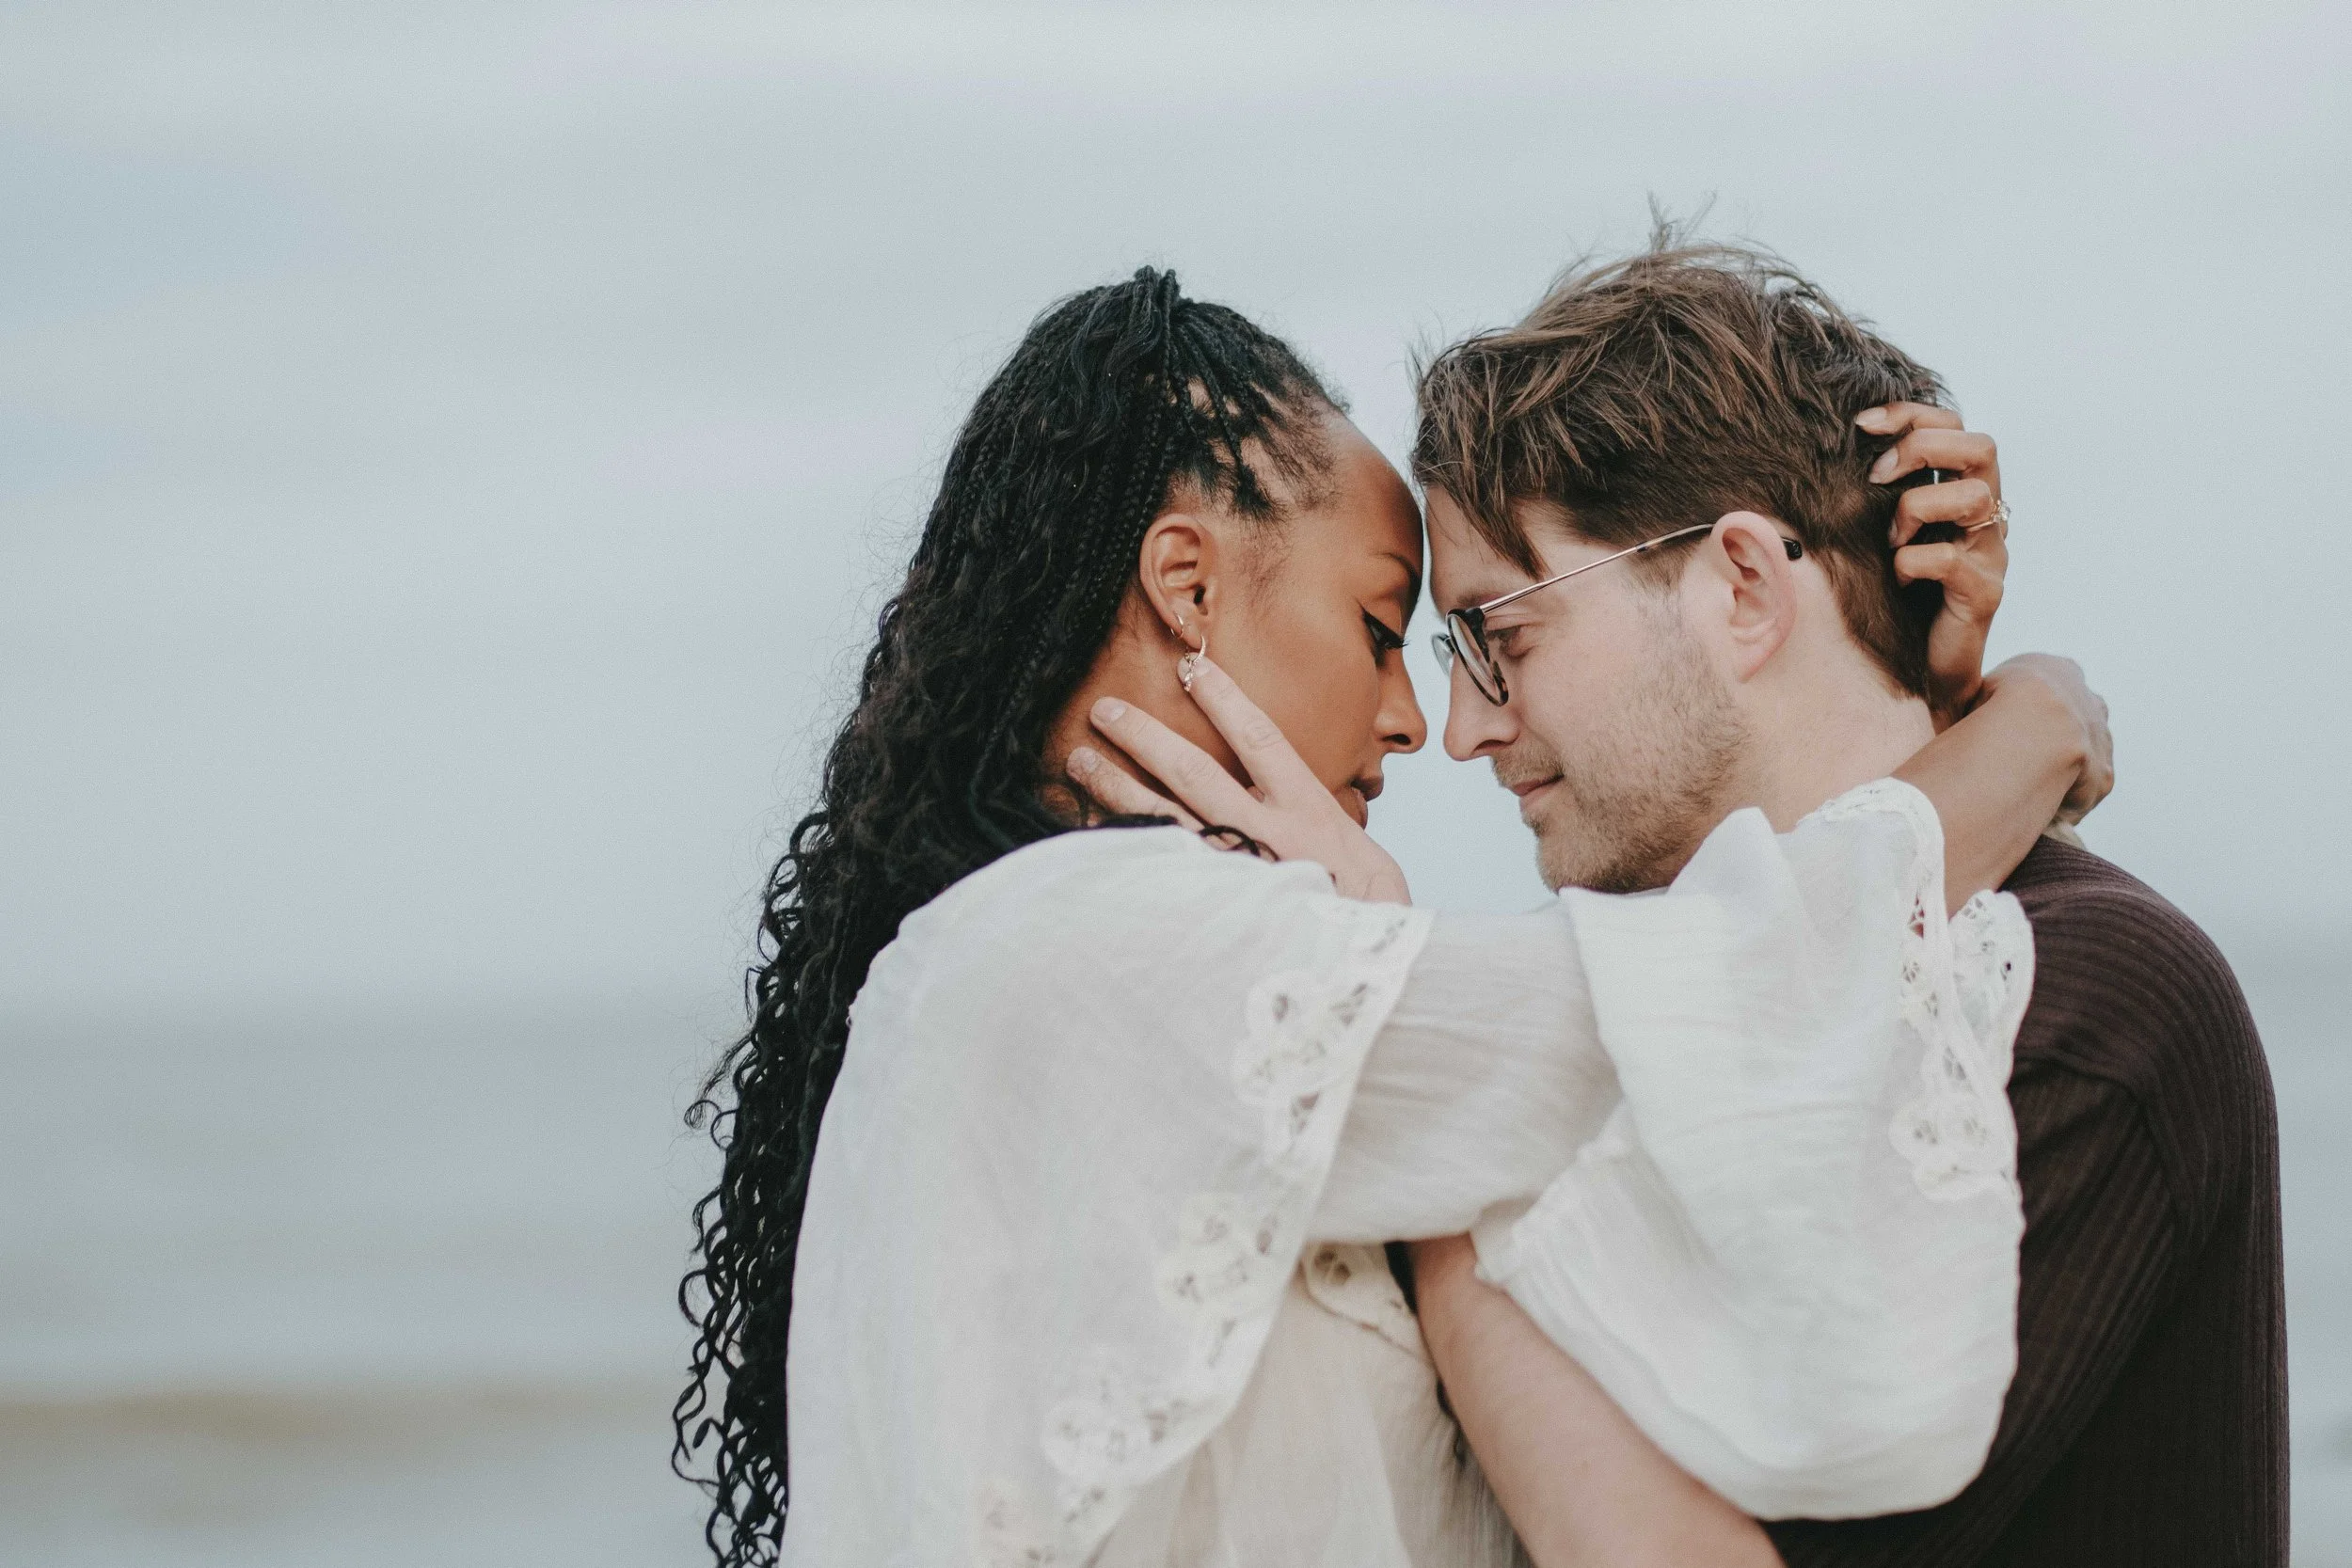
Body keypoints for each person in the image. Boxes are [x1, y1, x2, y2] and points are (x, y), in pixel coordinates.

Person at [674, 268, 2107, 1566]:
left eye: (1480, 643)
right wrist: (2025, 715)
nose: (1421, 718)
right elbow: (1713, 1004)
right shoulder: (1076, 943)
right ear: (1187, 587)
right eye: (1383, 630)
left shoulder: (1100, 965)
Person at [1367, 240, 2282, 1567]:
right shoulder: (1657, 1006)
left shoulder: (2084, 1004)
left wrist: (1438, 1192)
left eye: (1502, 637)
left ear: (1744, 588)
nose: (1464, 728)